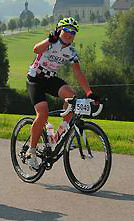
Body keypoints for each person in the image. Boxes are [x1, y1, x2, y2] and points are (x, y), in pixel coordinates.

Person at [26, 17, 98, 169]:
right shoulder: (51, 43)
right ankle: (31, 152)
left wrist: (89, 92)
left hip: (50, 79)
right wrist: (48, 40)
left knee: (72, 97)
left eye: (73, 32)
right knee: (43, 114)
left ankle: (59, 134)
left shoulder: (71, 51)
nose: (69, 34)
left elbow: (78, 73)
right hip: (35, 79)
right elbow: (35, 49)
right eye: (66, 30)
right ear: (59, 30)